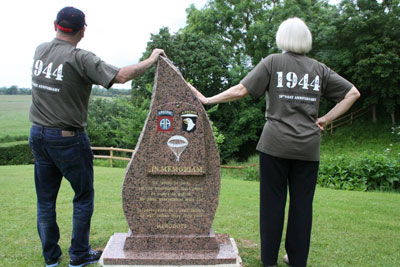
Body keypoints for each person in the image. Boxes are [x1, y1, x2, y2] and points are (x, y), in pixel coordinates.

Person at [189, 17, 360, 267]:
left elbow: (241, 90)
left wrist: (208, 100)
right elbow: (352, 93)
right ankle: (297, 259)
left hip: (274, 145)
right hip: (308, 148)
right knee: (302, 206)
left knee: (272, 204)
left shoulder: (273, 62)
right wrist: (325, 119)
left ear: (282, 38)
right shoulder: (319, 69)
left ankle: (269, 260)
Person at [29, 6, 166, 267]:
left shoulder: (40, 50)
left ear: (55, 25)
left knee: (45, 201)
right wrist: (152, 59)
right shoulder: (80, 58)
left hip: (37, 134)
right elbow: (121, 76)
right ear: (83, 31)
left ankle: (51, 258)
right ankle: (79, 255)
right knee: (83, 197)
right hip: (68, 138)